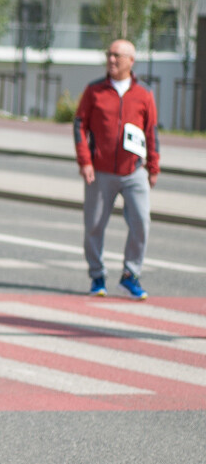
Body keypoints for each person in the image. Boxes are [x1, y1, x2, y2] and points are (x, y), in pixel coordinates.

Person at [74, 38, 159, 299]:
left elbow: (151, 131)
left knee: (141, 222)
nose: (111, 60)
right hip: (100, 171)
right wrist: (85, 161)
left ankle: (130, 276)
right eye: (109, 55)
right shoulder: (94, 90)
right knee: (94, 226)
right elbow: (79, 125)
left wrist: (153, 165)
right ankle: (97, 276)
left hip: (134, 171)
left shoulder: (144, 94)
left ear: (131, 61)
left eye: (117, 56)